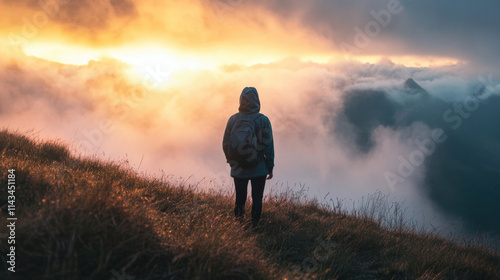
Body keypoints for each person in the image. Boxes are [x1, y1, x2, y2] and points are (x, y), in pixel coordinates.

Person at [223, 87, 274, 227]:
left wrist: (232, 161)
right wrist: (270, 167)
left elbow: (225, 143)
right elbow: (268, 147)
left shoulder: (233, 120)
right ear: (257, 100)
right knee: (257, 198)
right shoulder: (263, 120)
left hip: (238, 167)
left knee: (240, 199)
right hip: (259, 169)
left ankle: (239, 225)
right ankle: (255, 225)